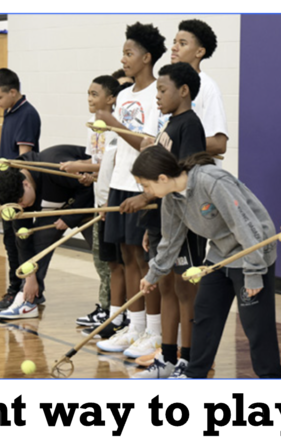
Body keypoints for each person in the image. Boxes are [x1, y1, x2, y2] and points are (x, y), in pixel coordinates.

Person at [134, 148, 281, 379]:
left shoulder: (211, 180)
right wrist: (153, 274)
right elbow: (170, 241)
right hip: (220, 254)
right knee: (204, 313)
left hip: (253, 252)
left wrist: (254, 271)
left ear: (162, 178)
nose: (146, 192)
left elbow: (245, 225)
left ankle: (270, 380)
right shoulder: (171, 198)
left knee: (256, 325)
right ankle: (195, 374)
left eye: (145, 185)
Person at [132, 62, 207, 377]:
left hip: (185, 224)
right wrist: (154, 225)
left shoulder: (190, 125)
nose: (158, 96)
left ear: (184, 90)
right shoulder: (168, 125)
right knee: (164, 288)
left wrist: (145, 197)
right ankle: (167, 358)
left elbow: (182, 178)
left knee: (185, 291)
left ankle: (189, 361)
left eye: (163, 90)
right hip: (164, 220)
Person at [97, 22, 167, 355]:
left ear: (147, 57)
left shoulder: (158, 96)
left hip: (143, 188)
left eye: (130, 53)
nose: (124, 59)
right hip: (118, 183)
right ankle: (134, 327)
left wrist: (113, 122)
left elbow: (150, 145)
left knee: (143, 260)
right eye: (123, 53)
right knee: (125, 256)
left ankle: (153, 331)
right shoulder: (124, 95)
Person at [0, 146, 95, 320]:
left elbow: (88, 188)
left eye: (21, 202)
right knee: (38, 244)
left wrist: (70, 218)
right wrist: (30, 277)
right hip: (61, 210)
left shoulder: (53, 167)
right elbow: (22, 239)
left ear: (26, 184)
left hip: (90, 204)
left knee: (104, 257)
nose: (22, 206)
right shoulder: (16, 191)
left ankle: (115, 309)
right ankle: (28, 299)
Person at [58, 75, 122, 332]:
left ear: (111, 99)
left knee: (112, 263)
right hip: (98, 198)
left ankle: (112, 311)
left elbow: (113, 162)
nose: (90, 99)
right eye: (88, 94)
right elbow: (100, 164)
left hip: (112, 201)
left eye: (95, 94)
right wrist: (88, 175)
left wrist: (80, 166)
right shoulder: (91, 125)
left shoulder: (116, 126)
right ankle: (106, 308)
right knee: (100, 260)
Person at [0, 68, 42, 311]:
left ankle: (20, 290)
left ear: (13, 92)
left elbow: (24, 159)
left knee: (20, 241)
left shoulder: (26, 114)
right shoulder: (11, 111)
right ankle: (17, 288)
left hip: (19, 191)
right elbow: (11, 146)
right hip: (8, 188)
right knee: (9, 240)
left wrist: (2, 165)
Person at [168, 19, 228, 158]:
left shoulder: (208, 87)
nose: (174, 48)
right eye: (174, 42)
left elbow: (219, 143)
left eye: (182, 44)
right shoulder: (166, 87)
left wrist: (174, 141)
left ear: (199, 52)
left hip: (193, 176)